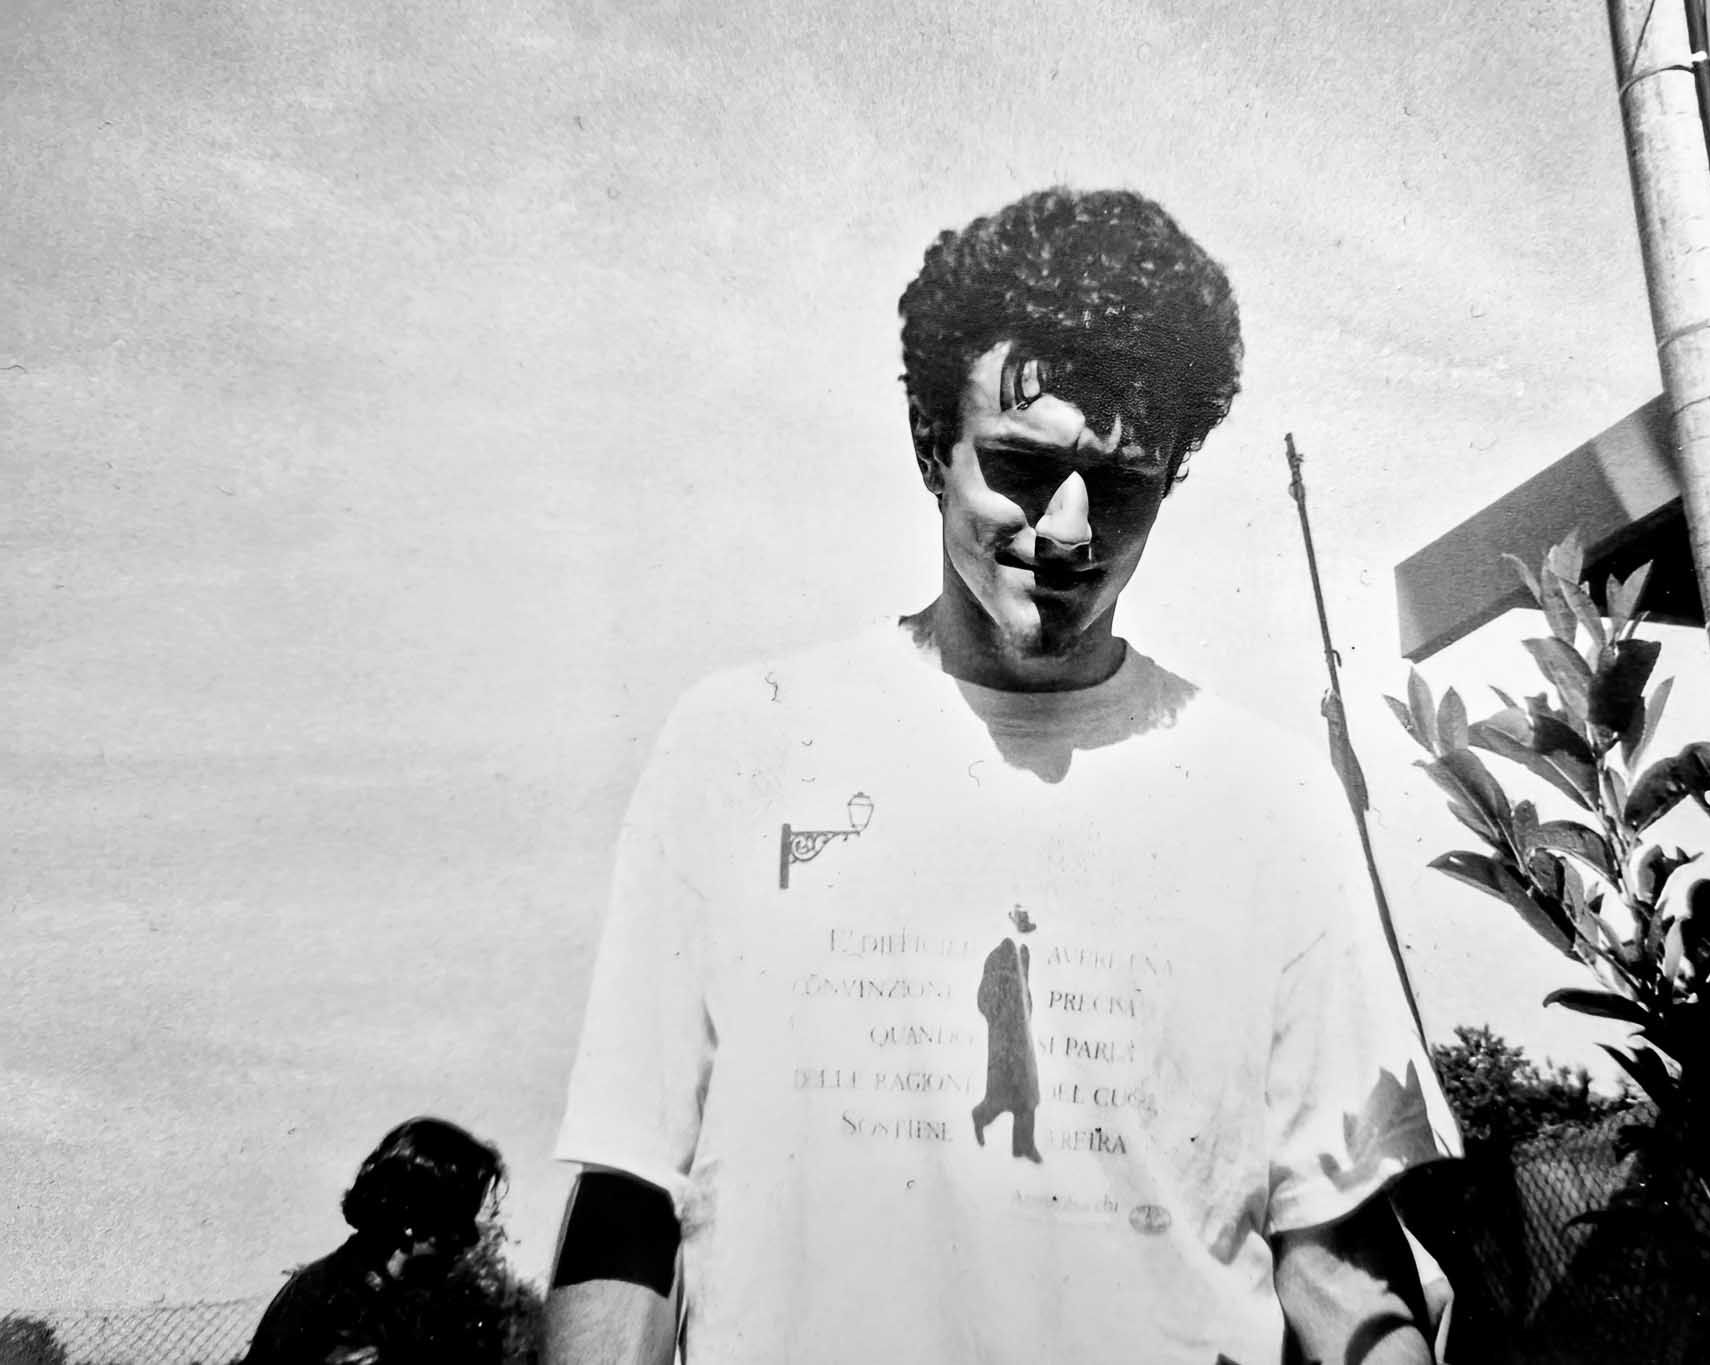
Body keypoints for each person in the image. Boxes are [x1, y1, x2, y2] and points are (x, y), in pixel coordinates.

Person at [543, 186, 1461, 1365]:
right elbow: (630, 1207)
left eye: (1120, 485)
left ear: (1173, 476)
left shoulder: (1269, 803)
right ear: (929, 442)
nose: (1068, 528)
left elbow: (1332, 1260)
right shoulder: (743, 746)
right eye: (1022, 468)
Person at [243, 1116, 508, 1365]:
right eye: (459, 1219)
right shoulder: (322, 1300)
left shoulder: (430, 1307)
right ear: (411, 1217)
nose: (472, 1237)